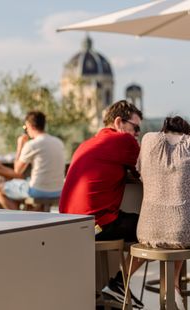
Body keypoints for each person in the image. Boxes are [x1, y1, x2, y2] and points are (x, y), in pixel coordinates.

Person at [59, 100, 144, 308]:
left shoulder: (86, 144)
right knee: (159, 228)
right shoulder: (123, 141)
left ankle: (110, 290)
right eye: (136, 128)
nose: (137, 135)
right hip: (96, 225)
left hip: (68, 225)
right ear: (118, 122)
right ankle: (119, 284)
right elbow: (150, 170)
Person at [136, 116, 190, 310]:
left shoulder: (148, 140)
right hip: (182, 232)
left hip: (147, 230)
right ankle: (174, 287)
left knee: (178, 223)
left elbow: (140, 172)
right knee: (181, 224)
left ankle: (172, 288)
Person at [0, 111, 65, 210]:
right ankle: (31, 213)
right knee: (24, 184)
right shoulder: (59, 142)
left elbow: (17, 170)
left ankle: (20, 220)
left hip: (38, 190)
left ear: (29, 125)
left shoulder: (32, 145)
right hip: (58, 190)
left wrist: (20, 146)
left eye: (25, 127)